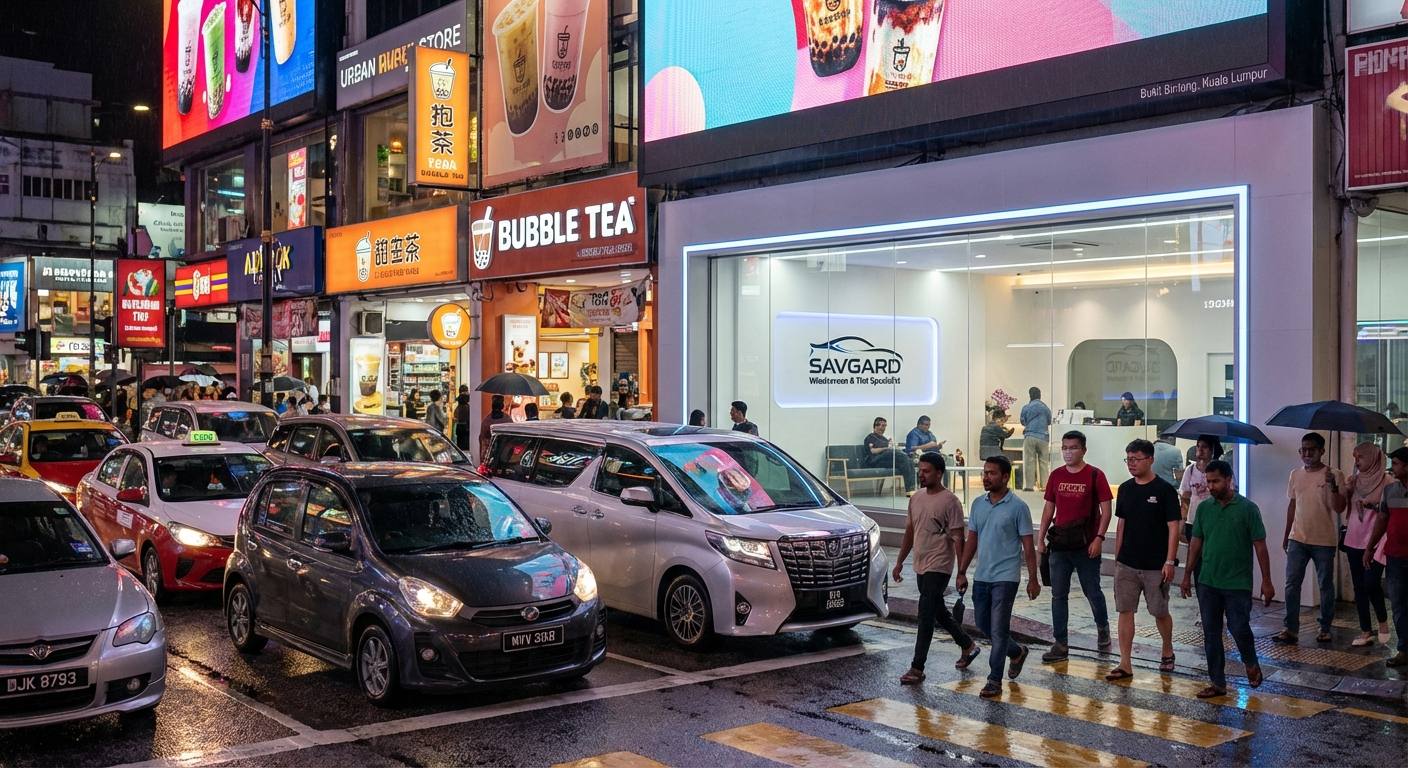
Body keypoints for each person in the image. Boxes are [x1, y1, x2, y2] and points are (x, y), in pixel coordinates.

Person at [1180, 460, 1274, 697]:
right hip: (1208, 580)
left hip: (1237, 583)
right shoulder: (1204, 508)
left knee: (1238, 626)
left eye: (1216, 481)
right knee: (1211, 633)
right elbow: (1196, 542)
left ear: (1229, 479)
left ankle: (1250, 661)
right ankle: (1217, 682)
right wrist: (1187, 573)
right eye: (1208, 481)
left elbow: (1260, 546)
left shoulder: (1248, 509)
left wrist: (1266, 580)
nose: (1211, 486)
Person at [955, 454, 1039, 698]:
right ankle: (1017, 652)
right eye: (985, 472)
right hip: (982, 575)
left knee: (999, 629)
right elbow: (972, 540)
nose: (986, 477)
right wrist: (962, 571)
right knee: (983, 624)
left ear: (1005, 477)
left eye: (992, 473)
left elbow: (1028, 546)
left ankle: (994, 680)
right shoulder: (978, 504)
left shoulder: (1018, 507)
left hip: (1006, 577)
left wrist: (1033, 578)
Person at [893, 452, 980, 684]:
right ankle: (968, 645)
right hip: (920, 564)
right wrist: (900, 561)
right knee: (937, 610)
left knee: (926, 613)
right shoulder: (916, 498)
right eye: (920, 470)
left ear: (939, 473)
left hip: (939, 565)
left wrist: (961, 572)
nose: (921, 475)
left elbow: (958, 538)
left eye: (926, 471)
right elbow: (910, 531)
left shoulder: (950, 501)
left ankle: (917, 667)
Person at [1106, 439, 1181, 681]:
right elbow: (1121, 523)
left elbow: (1173, 527)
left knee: (1159, 611)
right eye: (1128, 459)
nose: (1131, 464)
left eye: (1136, 459)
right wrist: (1118, 557)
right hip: (1127, 563)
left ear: (1150, 460)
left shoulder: (1165, 491)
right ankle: (1125, 663)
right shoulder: (1126, 489)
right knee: (1125, 610)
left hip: (1155, 565)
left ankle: (1167, 649)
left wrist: (1169, 561)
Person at [1037, 430, 1113, 662]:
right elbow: (1049, 509)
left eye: (1073, 448)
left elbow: (1106, 510)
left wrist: (1099, 538)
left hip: (1086, 545)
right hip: (1060, 545)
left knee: (1092, 591)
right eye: (1065, 448)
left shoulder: (1095, 475)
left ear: (1083, 450)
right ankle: (1060, 643)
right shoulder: (1056, 475)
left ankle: (1103, 628)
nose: (1068, 452)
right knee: (1058, 595)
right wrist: (1041, 538)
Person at [1273, 432, 1347, 645]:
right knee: (1291, 584)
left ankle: (1325, 628)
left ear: (1321, 451)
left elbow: (1340, 507)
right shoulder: (1295, 474)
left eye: (1311, 450)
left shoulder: (1334, 474)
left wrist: (1333, 486)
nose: (1306, 454)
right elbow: (1293, 505)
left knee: (1325, 585)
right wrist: (1287, 534)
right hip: (1298, 538)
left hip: (1324, 540)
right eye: (1303, 450)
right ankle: (1290, 628)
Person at [1341, 442, 1391, 647]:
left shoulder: (1388, 482)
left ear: (1372, 458)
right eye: (1355, 457)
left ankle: (1383, 622)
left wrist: (1372, 505)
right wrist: (1345, 491)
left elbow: (1390, 511)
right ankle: (1365, 630)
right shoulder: (1354, 480)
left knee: (1371, 583)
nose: (1356, 461)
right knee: (1359, 586)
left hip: (1376, 540)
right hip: (1354, 537)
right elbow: (1343, 509)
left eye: (1360, 457)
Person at [1364, 446, 1408, 667]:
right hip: (1396, 557)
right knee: (1399, 604)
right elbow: (1382, 520)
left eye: (1396, 463)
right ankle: (1404, 649)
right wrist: (1370, 547)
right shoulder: (1390, 491)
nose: (1393, 467)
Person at [864, 416, 916, 494]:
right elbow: (873, 451)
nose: (884, 428)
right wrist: (886, 448)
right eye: (882, 425)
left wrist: (891, 446)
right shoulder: (870, 437)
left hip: (886, 461)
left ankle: (911, 490)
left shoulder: (884, 439)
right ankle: (910, 489)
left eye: (885, 426)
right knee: (892, 452)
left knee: (908, 462)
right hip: (875, 461)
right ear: (876, 426)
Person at [1019, 387, 1052, 492]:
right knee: (1044, 462)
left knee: (1029, 461)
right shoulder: (1045, 408)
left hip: (1030, 435)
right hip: (1043, 437)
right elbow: (1049, 421)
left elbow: (1022, 421)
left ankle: (1029, 486)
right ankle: (1045, 486)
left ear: (1030, 395)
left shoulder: (1026, 407)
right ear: (1040, 395)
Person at [479, 394, 512, 460]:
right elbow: (482, 440)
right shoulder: (507, 420)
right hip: (497, 455)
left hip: (497, 455)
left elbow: (482, 439)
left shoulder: (486, 420)